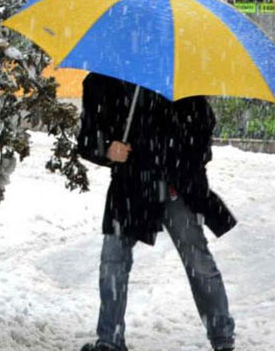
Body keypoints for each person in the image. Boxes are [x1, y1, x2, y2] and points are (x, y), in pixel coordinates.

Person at [77, 72, 238, 351]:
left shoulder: (180, 80)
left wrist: (176, 157)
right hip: (130, 189)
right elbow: (88, 139)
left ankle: (222, 337)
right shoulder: (101, 81)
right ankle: (110, 340)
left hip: (177, 188)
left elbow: (203, 132)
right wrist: (107, 148)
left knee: (197, 261)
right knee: (113, 262)